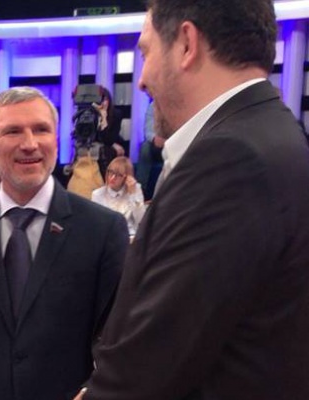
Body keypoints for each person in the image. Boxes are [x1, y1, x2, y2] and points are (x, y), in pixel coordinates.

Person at [78, 1, 309, 399]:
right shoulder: (275, 132)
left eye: (146, 52)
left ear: (186, 43)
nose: (141, 80)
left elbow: (148, 367)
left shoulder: (229, 158)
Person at [0, 86, 129, 400]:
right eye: (13, 131)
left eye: (41, 130)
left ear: (56, 141)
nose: (30, 144)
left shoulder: (103, 230)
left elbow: (119, 340)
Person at [91, 156, 145, 237]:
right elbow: (96, 225)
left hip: (129, 235)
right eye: (111, 172)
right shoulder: (97, 194)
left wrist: (133, 194)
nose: (112, 178)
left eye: (118, 175)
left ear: (127, 177)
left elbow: (141, 220)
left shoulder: (135, 189)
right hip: (107, 237)